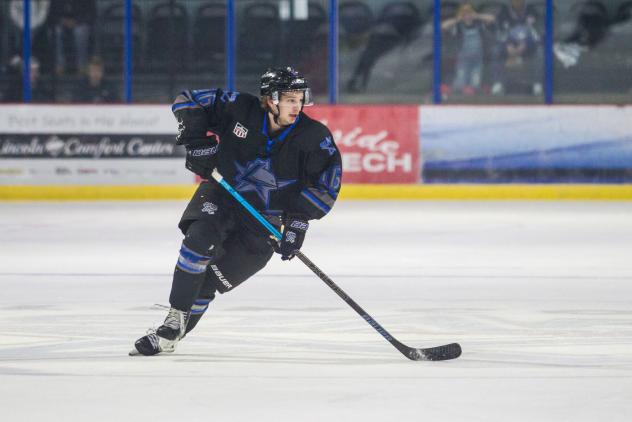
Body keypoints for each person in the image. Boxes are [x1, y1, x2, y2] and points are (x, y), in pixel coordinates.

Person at [130, 67, 342, 356]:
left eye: (299, 98)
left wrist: (297, 223)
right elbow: (188, 100)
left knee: (209, 283)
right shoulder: (239, 108)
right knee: (199, 240)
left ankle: (168, 338)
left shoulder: (314, 137)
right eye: (288, 98)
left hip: (263, 220)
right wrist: (198, 144)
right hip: (222, 195)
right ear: (270, 99)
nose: (296, 106)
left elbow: (326, 185)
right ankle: (174, 317)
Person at [442, 3, 495, 95]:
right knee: (460, 83)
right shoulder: (458, 26)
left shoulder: (479, 24)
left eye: (469, 12)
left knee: (475, 84)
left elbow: (492, 18)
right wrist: (457, 19)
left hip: (478, 60)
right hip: (463, 60)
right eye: (464, 13)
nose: (467, 15)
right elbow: (444, 26)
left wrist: (477, 16)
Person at [490, 0, 542, 95]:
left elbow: (536, 32)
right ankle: (498, 83)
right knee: (496, 51)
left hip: (528, 45)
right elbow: (500, 32)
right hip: (509, 46)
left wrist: (526, 43)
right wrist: (507, 44)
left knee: (540, 52)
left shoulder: (532, 10)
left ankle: (537, 83)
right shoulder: (504, 11)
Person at [50, 0, 97, 75]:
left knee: (80, 32)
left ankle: (82, 66)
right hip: (61, 23)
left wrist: (77, 21)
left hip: (81, 23)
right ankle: (60, 65)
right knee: (56, 31)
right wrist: (63, 21)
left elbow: (92, 14)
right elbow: (51, 14)